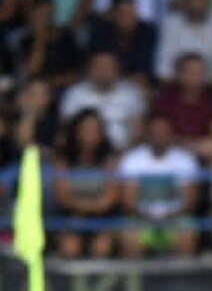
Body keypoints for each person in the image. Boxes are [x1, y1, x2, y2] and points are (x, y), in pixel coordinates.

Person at [117, 113, 200, 257]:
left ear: (171, 135)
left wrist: (168, 216)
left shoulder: (185, 160)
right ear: (148, 134)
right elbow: (128, 201)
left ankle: (181, 278)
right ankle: (137, 278)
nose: (160, 136)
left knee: (187, 234)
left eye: (164, 132)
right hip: (141, 218)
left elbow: (190, 201)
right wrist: (149, 217)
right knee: (130, 236)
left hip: (175, 218)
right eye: (155, 132)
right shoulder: (132, 159)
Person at [53, 109, 123, 258]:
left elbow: (110, 199)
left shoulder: (111, 160)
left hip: (103, 220)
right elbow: (63, 197)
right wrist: (80, 213)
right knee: (70, 246)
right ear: (76, 131)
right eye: (86, 129)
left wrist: (85, 210)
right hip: (71, 219)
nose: (91, 133)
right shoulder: (63, 160)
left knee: (102, 246)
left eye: (95, 129)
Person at [151, 53, 212, 166]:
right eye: (191, 72)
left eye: (200, 72)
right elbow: (159, 136)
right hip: (173, 154)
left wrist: (203, 148)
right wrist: (194, 146)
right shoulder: (166, 98)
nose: (196, 76)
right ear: (179, 75)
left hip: (206, 156)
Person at [61, 50, 148, 150]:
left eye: (108, 66)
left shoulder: (132, 94)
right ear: (90, 69)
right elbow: (66, 130)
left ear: (117, 69)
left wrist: (122, 156)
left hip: (122, 154)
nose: (103, 71)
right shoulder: (75, 93)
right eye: (98, 67)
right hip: (82, 154)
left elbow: (138, 132)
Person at [88, 0, 158, 84]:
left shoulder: (148, 32)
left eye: (131, 13)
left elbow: (144, 71)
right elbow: (93, 65)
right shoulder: (100, 32)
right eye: (123, 14)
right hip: (105, 81)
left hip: (137, 84)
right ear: (112, 14)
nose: (128, 18)